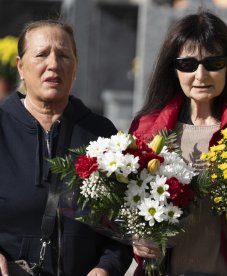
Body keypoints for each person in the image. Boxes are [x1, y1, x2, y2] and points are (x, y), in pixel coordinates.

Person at [129, 11, 227, 276]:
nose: (200, 75)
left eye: (213, 63)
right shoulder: (147, 128)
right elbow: (128, 206)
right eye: (188, 64)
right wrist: (137, 239)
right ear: (173, 68)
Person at [0, 19, 132, 276]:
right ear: (21, 67)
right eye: (41, 55)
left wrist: (107, 268)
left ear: (75, 67)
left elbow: (123, 225)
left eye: (63, 55)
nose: (53, 64)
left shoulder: (102, 134)